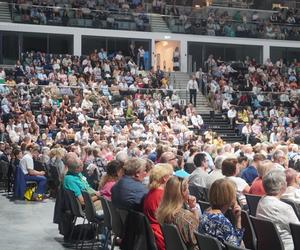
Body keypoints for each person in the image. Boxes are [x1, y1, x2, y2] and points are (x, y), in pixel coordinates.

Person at [256, 170, 300, 250]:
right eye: (285, 182)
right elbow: (297, 231)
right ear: (282, 186)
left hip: (268, 245)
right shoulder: (284, 207)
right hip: (287, 246)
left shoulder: (261, 201)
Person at [156, 176, 199, 250]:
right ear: (182, 192)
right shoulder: (185, 217)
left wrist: (192, 207)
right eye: (187, 188)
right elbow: (196, 238)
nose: (189, 191)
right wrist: (194, 209)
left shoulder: (162, 212)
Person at [200, 178, 244, 246]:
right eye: (234, 194)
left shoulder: (205, 213)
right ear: (229, 197)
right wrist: (238, 220)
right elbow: (236, 247)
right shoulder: (223, 222)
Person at [143, 163, 173, 250]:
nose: (173, 178)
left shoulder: (151, 192)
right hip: (162, 236)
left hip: (153, 234)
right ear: (165, 178)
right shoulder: (161, 195)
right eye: (171, 175)